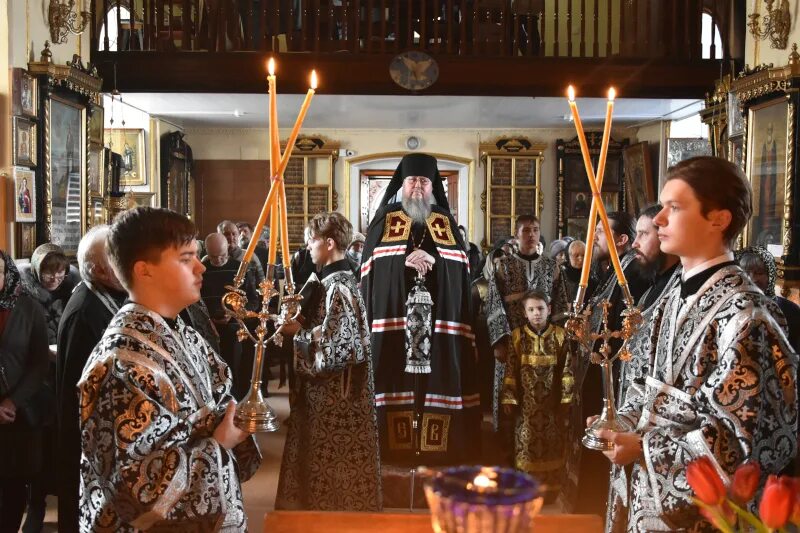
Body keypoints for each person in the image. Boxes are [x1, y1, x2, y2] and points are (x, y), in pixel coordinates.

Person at [600, 157, 797, 531]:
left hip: (700, 517)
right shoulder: (670, 293)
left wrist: (641, 448)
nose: (658, 219)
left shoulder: (747, 316)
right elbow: (641, 381)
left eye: (673, 208)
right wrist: (618, 422)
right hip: (643, 499)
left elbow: (739, 441)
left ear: (718, 219)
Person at [77, 207, 261, 531]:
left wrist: (235, 419)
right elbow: (136, 490)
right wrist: (218, 445)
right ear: (144, 270)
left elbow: (218, 401)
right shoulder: (119, 364)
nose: (201, 266)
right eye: (187, 257)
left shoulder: (183, 334)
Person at [360, 153, 480, 465]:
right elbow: (370, 269)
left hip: (439, 326)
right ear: (401, 184)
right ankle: (392, 449)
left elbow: (462, 268)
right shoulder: (384, 220)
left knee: (436, 378)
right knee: (393, 376)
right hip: (395, 324)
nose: (417, 188)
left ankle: (438, 449)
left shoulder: (444, 221)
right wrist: (401, 260)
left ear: (432, 186)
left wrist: (436, 261)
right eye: (412, 181)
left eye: (424, 182)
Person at [276, 211, 382, 511]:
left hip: (337, 399)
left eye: (312, 240)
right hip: (331, 397)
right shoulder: (335, 280)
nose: (308, 247)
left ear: (330, 243)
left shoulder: (339, 287)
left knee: (333, 481)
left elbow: (341, 351)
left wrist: (298, 334)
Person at [604, 205, 681, 531]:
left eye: (643, 234)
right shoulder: (652, 284)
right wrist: (617, 418)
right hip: (634, 428)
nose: (635, 243)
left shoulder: (677, 290)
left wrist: (641, 440)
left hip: (665, 457)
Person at [570, 211, 648, 515]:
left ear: (622, 240)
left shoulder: (632, 274)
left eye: (601, 232)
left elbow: (622, 335)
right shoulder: (610, 272)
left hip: (613, 379)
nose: (594, 238)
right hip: (597, 375)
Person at [56, 226, 127, 533]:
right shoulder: (85, 309)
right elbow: (78, 383)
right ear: (98, 268)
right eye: (117, 258)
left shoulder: (107, 295)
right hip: (84, 432)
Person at [486, 214, 567, 438]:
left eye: (535, 230)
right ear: (516, 235)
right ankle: (506, 445)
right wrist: (500, 341)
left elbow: (560, 305)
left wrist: (561, 342)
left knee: (541, 394)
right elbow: (494, 304)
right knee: (510, 393)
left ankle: (540, 445)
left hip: (545, 344)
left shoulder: (553, 267)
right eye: (525, 230)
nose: (531, 234)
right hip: (511, 343)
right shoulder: (503, 266)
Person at [501, 289, 574, 503]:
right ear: (524, 313)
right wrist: (509, 397)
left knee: (552, 445)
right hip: (526, 408)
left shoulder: (560, 336)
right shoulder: (518, 336)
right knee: (526, 446)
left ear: (549, 309)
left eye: (540, 309)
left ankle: (550, 492)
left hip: (551, 407)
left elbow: (567, 369)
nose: (536, 314)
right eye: (531, 309)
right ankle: (526, 491)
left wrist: (566, 399)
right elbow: (511, 370)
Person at [0, 251, 48, 533]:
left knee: (13, 485)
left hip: (16, 411)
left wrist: (12, 401)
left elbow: (39, 362)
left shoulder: (27, 307)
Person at [201, 232, 259, 399]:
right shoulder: (202, 270)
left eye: (222, 256)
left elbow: (253, 301)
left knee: (234, 369)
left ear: (228, 250)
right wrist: (208, 318)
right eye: (213, 256)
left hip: (234, 329)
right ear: (206, 251)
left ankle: (236, 403)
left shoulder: (240, 269)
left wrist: (233, 314)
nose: (218, 260)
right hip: (207, 329)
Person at [737, 245, 800, 353]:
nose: (752, 279)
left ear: (770, 276)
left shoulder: (790, 310)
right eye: (746, 273)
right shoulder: (730, 308)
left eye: (759, 273)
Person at [218, 219, 266, 283]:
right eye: (227, 234)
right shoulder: (212, 258)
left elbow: (262, 282)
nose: (231, 238)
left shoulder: (251, 257)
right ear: (219, 236)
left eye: (234, 234)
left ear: (238, 235)